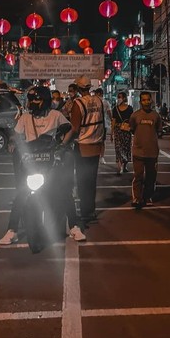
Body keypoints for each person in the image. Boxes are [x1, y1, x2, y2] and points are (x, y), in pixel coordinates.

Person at [0, 85, 86, 245]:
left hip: (52, 163)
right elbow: (16, 136)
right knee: (20, 194)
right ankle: (12, 230)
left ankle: (74, 226)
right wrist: (14, 144)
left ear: (44, 100)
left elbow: (70, 129)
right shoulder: (25, 117)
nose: (33, 102)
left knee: (65, 192)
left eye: (36, 99)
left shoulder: (56, 115)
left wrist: (62, 146)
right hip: (31, 164)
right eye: (31, 99)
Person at [65, 75, 105, 225]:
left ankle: (85, 211)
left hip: (82, 146)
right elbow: (102, 125)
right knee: (92, 180)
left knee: (82, 181)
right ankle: (91, 210)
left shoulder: (79, 103)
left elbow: (74, 127)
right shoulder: (99, 101)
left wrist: (64, 142)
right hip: (96, 144)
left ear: (79, 88)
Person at [128, 91, 163, 209]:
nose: (146, 102)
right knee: (138, 176)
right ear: (140, 101)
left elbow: (159, 131)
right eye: (144, 100)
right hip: (138, 151)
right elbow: (132, 129)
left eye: (148, 99)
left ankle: (148, 197)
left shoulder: (156, 116)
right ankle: (137, 198)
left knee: (151, 176)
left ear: (151, 101)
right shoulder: (135, 115)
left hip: (152, 152)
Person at [111, 90, 133, 175]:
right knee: (118, 148)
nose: (118, 99)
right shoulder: (115, 109)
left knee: (126, 148)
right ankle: (120, 166)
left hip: (127, 131)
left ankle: (125, 166)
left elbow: (132, 120)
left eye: (120, 97)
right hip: (118, 130)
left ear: (124, 98)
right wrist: (112, 133)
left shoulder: (130, 108)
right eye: (118, 97)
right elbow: (113, 121)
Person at [94, 87, 112, 161]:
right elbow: (109, 113)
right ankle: (101, 156)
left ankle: (100, 156)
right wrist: (111, 120)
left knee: (99, 141)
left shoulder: (103, 102)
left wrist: (111, 121)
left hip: (97, 124)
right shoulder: (105, 102)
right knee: (101, 141)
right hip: (101, 124)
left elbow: (109, 113)